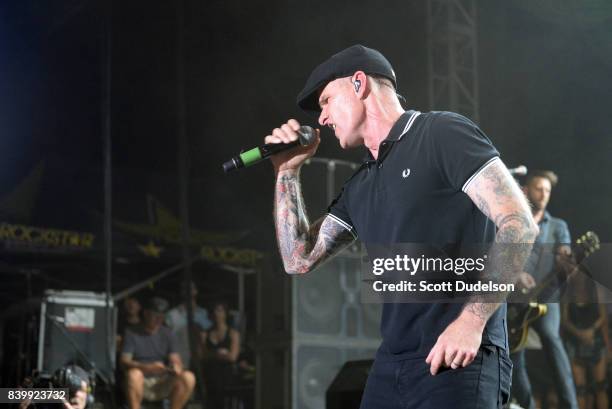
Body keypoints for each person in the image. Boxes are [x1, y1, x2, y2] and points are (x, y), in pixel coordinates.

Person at [265, 44, 538, 409]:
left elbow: (519, 224)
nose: (323, 118)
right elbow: (297, 259)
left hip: (459, 356)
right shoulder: (361, 184)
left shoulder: (441, 134)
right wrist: (287, 172)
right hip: (393, 366)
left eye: (327, 100)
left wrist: (471, 323)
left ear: (359, 83)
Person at [509, 170, 579, 409]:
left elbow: (565, 253)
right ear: (526, 191)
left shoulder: (558, 226)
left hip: (545, 297)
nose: (544, 194)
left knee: (551, 338)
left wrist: (566, 261)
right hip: (515, 301)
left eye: (548, 190)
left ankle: (570, 405)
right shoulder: (513, 223)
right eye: (540, 188)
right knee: (513, 356)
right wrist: (515, 274)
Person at [120, 296, 195, 409]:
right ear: (146, 314)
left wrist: (176, 366)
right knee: (134, 374)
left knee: (188, 377)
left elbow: (175, 358)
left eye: (161, 316)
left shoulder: (167, 333)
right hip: (141, 380)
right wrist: (147, 367)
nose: (158, 320)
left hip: (162, 379)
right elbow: (124, 361)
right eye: (155, 316)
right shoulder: (131, 332)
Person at [562, 269, 608, 409]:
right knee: (580, 388)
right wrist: (579, 333)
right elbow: (564, 320)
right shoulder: (568, 294)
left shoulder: (596, 292)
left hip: (595, 341)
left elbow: (603, 316)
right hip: (576, 342)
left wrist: (591, 331)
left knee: (600, 387)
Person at [200, 301, 241, 409]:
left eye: (219, 310)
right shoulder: (204, 333)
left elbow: (233, 357)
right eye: (214, 311)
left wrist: (212, 355)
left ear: (225, 313)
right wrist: (218, 354)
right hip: (210, 374)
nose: (216, 313)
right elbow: (202, 355)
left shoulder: (233, 333)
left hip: (227, 375)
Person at [165, 281, 212, 367]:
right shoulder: (172, 314)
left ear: (196, 291)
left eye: (191, 288)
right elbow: (166, 338)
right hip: (179, 359)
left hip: (199, 361)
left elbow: (207, 337)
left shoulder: (203, 313)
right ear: (182, 292)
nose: (188, 291)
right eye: (185, 288)